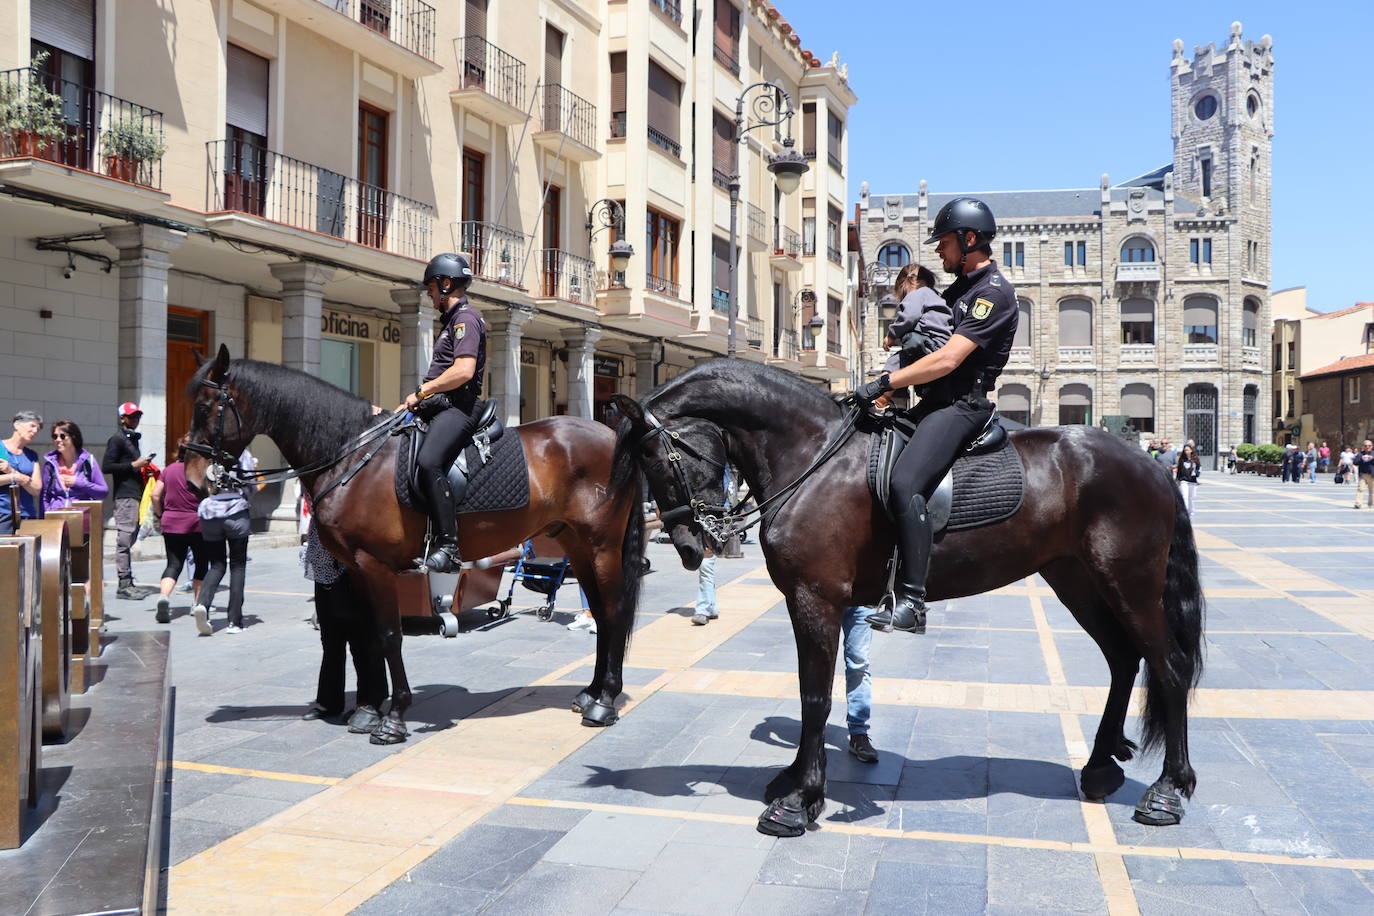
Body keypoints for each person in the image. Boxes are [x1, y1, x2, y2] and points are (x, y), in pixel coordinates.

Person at [854, 198, 1017, 635]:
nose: (939, 252)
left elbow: (948, 361)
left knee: (906, 481)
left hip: (962, 405)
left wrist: (888, 383)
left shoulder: (993, 293)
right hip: (934, 402)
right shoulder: (957, 289)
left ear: (968, 240)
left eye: (944, 242)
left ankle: (912, 600)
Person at [396, 253, 487, 573]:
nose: (429, 293)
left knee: (429, 460)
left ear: (446, 284)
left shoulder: (466, 320)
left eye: (431, 287)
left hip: (459, 406)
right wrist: (414, 403)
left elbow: (463, 371)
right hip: (439, 404)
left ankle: (449, 545)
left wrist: (423, 392)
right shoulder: (451, 323)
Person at [301, 521, 388, 732]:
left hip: (352, 573)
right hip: (324, 573)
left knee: (362, 640)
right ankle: (329, 701)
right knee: (331, 641)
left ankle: (369, 702)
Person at [194, 448, 254, 635]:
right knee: (238, 566)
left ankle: (202, 603)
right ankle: (234, 621)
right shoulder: (242, 452)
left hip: (210, 511)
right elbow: (250, 483)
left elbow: (197, 482)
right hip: (235, 510)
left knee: (216, 565)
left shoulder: (206, 453)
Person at [148, 440, 208, 625]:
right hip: (197, 523)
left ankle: (164, 597)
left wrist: (160, 513)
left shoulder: (169, 470)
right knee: (201, 564)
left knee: (174, 563)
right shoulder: (200, 472)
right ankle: (197, 604)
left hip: (171, 522)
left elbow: (155, 494)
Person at [104, 402, 153, 598]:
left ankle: (128, 581)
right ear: (122, 418)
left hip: (136, 495)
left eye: (137, 416)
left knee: (131, 537)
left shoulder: (131, 439)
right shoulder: (116, 439)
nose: (135, 419)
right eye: (131, 416)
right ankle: (123, 585)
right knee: (125, 539)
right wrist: (135, 464)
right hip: (125, 496)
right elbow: (106, 466)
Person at [40, 419, 108, 515]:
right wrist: (45, 518)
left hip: (81, 519)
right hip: (56, 520)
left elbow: (103, 492)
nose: (58, 440)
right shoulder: (50, 464)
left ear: (73, 437)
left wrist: (78, 483)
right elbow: (44, 497)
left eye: (62, 436)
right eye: (55, 436)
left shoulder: (88, 461)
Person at [842, 605, 878, 763]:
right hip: (821, 596)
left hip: (861, 601)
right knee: (817, 662)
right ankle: (814, 731)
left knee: (858, 663)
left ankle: (858, 733)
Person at [0, 410, 44, 535]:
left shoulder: (32, 455)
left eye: (38, 428)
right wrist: (16, 477)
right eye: (32, 426)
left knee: (29, 553)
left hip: (27, 515)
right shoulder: (0, 448)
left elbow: (36, 489)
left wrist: (13, 474)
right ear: (16, 424)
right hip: (3, 513)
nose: (35, 431)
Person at [1175, 443, 1201, 515]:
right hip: (1184, 481)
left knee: (1191, 497)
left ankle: (1191, 510)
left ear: (1191, 450)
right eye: (1185, 450)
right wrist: (1177, 479)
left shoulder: (1196, 459)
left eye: (1187, 450)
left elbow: (1199, 468)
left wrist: (1197, 474)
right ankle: (1185, 510)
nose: (1186, 451)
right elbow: (1179, 470)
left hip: (1192, 481)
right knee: (1184, 496)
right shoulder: (1182, 459)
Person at [1354, 440, 1374, 509]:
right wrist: (1361, 459)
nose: (1367, 447)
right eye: (1365, 446)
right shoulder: (1360, 454)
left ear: (1372, 446)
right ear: (1363, 447)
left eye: (1369, 446)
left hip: (1372, 475)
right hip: (1363, 475)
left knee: (1372, 491)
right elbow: (1355, 462)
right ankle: (1358, 503)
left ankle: (1370, 504)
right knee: (1360, 489)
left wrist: (1372, 459)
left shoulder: (1373, 454)